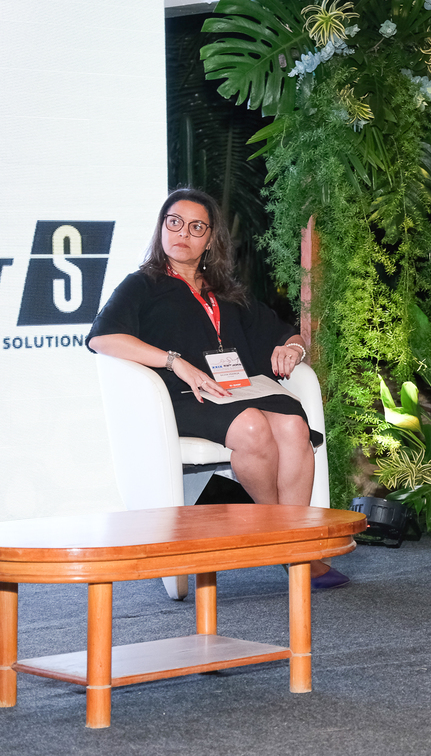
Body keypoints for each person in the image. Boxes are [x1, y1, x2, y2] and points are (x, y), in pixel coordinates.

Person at [87, 188, 349, 588]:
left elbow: (283, 334)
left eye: (196, 227)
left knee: (295, 427)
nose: (182, 234)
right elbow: (102, 339)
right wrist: (176, 361)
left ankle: (294, 546)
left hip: (237, 390)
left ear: (210, 239)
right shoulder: (143, 284)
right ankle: (288, 544)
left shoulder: (224, 289)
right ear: (161, 227)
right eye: (174, 222)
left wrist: (292, 347)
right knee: (251, 428)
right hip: (180, 396)